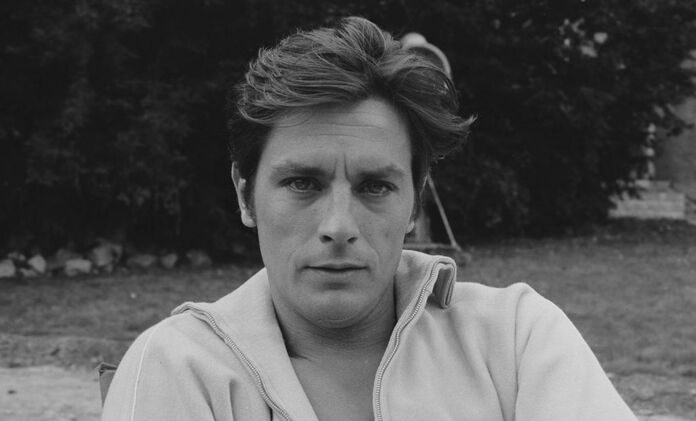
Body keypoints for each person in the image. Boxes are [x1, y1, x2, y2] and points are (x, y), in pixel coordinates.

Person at [101, 16, 637, 421]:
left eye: (375, 186)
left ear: (413, 204)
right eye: (303, 183)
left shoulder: (516, 339)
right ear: (246, 196)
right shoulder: (178, 367)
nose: (339, 226)